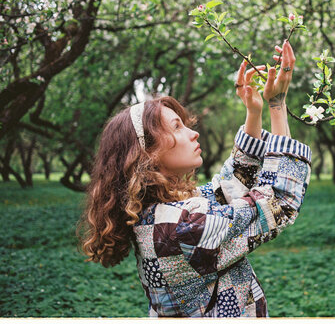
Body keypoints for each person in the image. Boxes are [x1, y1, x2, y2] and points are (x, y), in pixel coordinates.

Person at [77, 40, 311, 317]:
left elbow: (228, 188)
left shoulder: (160, 214)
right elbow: (277, 201)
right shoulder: (182, 229)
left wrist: (254, 112)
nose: (193, 133)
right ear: (146, 153)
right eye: (177, 127)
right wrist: (277, 105)